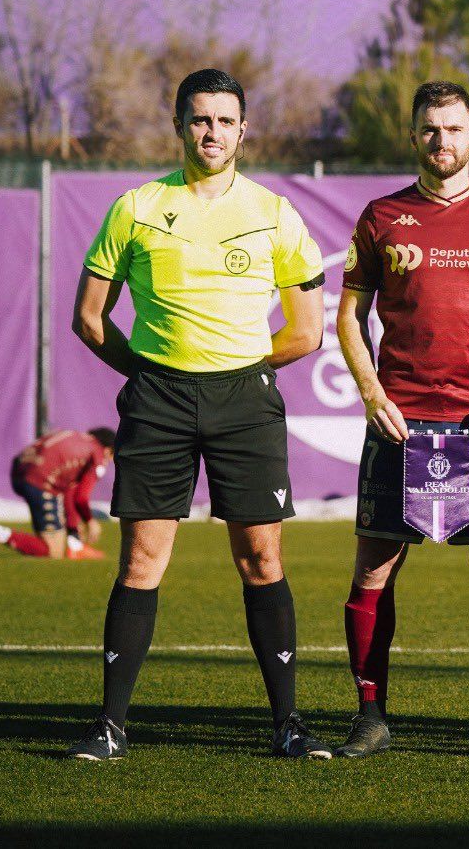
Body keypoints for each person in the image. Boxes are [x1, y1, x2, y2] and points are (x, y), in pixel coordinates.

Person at [64, 68, 331, 761]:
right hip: (158, 401)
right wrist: (151, 376)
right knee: (142, 558)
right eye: (199, 119)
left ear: (245, 130)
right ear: (179, 124)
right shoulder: (137, 207)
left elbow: (307, 332)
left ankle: (288, 724)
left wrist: (239, 372)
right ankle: (110, 725)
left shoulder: (275, 213)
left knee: (261, 557)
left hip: (245, 401)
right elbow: (90, 320)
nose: (211, 132)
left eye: (224, 120)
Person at [334, 81, 469, 760]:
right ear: (414, 136)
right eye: (430, 130)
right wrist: (372, 394)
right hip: (400, 422)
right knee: (374, 567)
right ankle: (371, 715)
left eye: (453, 129)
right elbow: (348, 314)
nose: (442, 141)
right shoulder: (382, 217)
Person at [0, 427, 116, 560]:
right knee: (53, 551)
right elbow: (81, 498)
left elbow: (71, 494)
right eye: (112, 457)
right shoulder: (98, 453)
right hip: (41, 481)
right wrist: (90, 521)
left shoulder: (74, 436)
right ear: (108, 450)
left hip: (20, 472)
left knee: (53, 538)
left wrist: (74, 530)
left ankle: (75, 547)